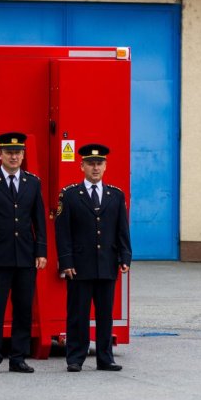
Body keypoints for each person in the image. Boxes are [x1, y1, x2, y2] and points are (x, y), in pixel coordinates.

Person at [0, 132, 47, 374]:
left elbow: (39, 221)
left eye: (18, 152)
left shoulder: (33, 183)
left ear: (23, 155)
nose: (14, 156)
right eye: (9, 152)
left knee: (23, 308)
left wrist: (41, 252)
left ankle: (18, 357)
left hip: (25, 256)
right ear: (0, 154)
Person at [55, 143, 132, 372]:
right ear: (82, 166)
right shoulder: (69, 195)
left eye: (99, 163)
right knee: (78, 313)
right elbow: (63, 232)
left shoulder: (116, 196)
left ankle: (105, 358)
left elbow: (122, 230)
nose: (95, 168)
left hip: (106, 264)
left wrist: (125, 257)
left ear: (106, 166)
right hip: (79, 265)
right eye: (90, 164)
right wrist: (66, 262)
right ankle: (75, 358)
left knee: (105, 315)